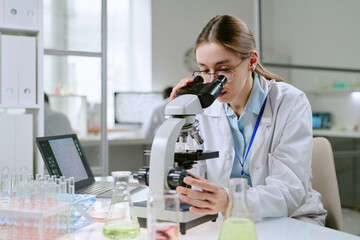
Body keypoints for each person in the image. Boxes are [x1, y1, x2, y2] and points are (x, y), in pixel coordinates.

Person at [171, 15, 327, 225]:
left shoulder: (290, 102)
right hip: (227, 218)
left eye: (223, 70)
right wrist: (179, 114)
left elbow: (290, 191)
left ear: (251, 61)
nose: (212, 81)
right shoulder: (201, 108)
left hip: (290, 218)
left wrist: (230, 201)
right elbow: (188, 178)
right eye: (205, 71)